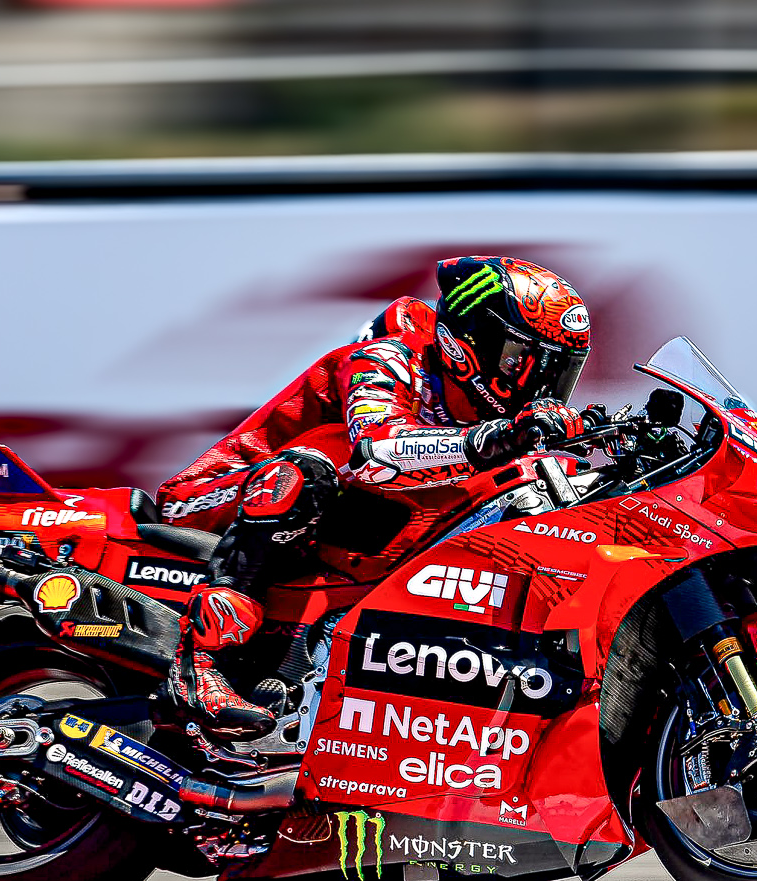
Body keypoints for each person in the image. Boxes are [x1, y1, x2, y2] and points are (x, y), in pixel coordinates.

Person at [155, 255, 595, 738]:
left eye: (559, 374)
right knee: (313, 466)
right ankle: (200, 658)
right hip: (209, 498)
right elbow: (376, 453)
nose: (540, 387)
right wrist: (494, 440)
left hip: (332, 534)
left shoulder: (491, 417)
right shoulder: (389, 356)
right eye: (521, 361)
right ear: (471, 340)